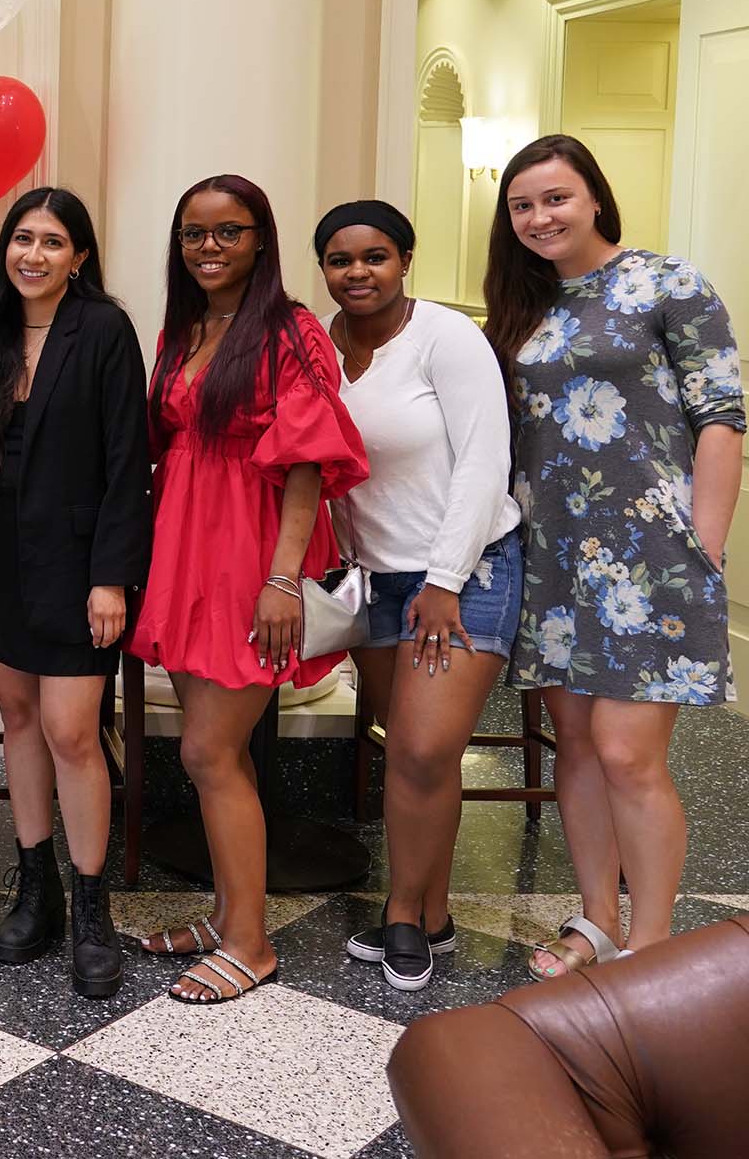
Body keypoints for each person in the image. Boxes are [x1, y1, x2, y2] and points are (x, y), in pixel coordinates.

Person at [484, 135, 743, 978]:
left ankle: (651, 946)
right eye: (522, 205)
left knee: (631, 754)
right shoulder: (519, 303)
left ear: (593, 196)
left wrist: (705, 543)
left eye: (555, 198)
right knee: (582, 750)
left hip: (649, 559)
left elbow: (720, 417)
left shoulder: (668, 282)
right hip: (552, 555)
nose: (539, 217)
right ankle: (597, 919)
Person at [129, 174, 368, 1004]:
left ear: (261, 239)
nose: (209, 248)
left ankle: (250, 942)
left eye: (228, 233)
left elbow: (308, 460)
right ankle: (229, 914)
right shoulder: (187, 326)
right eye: (194, 233)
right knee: (208, 748)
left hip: (251, 551)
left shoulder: (289, 328)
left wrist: (283, 578)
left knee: (209, 750)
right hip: (188, 544)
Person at [315, 200, 521, 993]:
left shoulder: (447, 338)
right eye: (340, 259)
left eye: (374, 257)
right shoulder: (319, 349)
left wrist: (444, 581)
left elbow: (484, 461)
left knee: (422, 749)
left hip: (466, 571)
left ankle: (402, 915)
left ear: (405, 261)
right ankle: (433, 914)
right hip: (373, 581)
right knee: (413, 754)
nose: (357, 272)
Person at [0, 187, 150, 995]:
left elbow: (126, 463)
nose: (33, 254)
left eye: (53, 241)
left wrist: (111, 578)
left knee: (74, 731)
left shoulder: (103, 329)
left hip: (75, 567)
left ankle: (91, 900)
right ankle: (35, 887)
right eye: (22, 239)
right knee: (22, 719)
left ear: (79, 256)